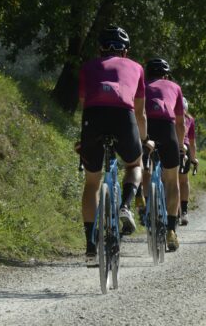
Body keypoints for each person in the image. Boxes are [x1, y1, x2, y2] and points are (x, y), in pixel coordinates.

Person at [77, 25, 148, 261]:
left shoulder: (87, 67)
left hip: (93, 119)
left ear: (100, 49)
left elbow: (83, 104)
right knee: (134, 164)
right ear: (125, 51)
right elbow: (139, 112)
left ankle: (90, 242)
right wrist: (143, 140)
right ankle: (126, 206)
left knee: (92, 182)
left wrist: (83, 139)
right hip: (123, 118)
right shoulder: (137, 68)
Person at [140, 58, 185, 251]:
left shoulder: (141, 84)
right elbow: (181, 123)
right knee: (172, 179)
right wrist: (182, 146)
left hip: (147, 126)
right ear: (166, 75)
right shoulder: (175, 87)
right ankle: (171, 230)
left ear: (147, 73)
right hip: (167, 130)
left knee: (141, 165)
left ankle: (144, 200)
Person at [178, 97, 198, 226]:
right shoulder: (189, 119)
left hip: (168, 146)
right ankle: (184, 212)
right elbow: (192, 142)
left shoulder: (169, 116)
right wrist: (193, 158)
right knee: (184, 181)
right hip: (184, 150)